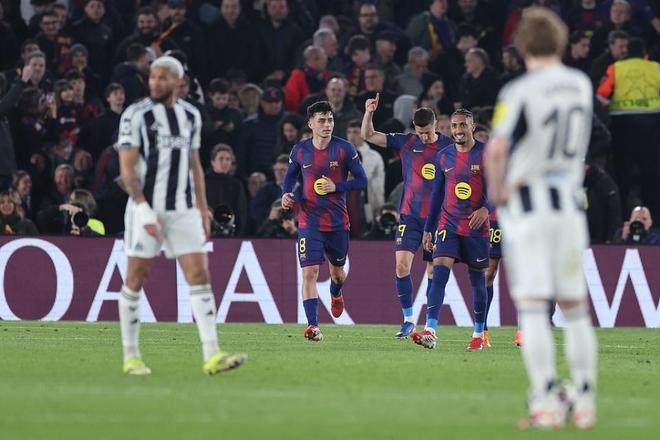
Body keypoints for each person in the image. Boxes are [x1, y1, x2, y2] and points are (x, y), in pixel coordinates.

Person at [484, 8, 597, 430]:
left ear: (522, 46)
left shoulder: (519, 91)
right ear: (561, 42)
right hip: (570, 207)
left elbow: (497, 148)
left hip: (531, 209)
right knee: (575, 307)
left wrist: (497, 189)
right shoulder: (581, 85)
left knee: (533, 308)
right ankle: (584, 400)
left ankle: (547, 400)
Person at [117, 55, 246, 375]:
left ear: (178, 82)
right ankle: (131, 356)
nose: (155, 82)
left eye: (162, 77)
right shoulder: (136, 114)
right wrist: (143, 208)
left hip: (183, 208)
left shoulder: (191, 115)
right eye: (152, 76)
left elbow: (194, 165)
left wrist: (202, 208)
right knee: (135, 278)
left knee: (199, 276)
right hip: (146, 208)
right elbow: (127, 168)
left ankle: (212, 355)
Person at [361, 96, 453, 339]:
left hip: (438, 219)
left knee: (433, 270)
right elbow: (368, 135)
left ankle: (430, 325)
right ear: (414, 128)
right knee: (401, 266)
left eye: (428, 132)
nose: (424, 137)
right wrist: (369, 112)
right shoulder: (407, 142)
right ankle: (408, 320)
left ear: (436, 125)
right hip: (410, 217)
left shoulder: (449, 147)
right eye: (420, 133)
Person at [281, 100, 367, 342]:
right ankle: (312, 326)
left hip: (338, 223)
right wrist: (286, 195)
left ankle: (336, 293)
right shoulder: (300, 150)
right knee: (309, 272)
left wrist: (336, 186)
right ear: (311, 124)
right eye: (322, 120)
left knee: (337, 274)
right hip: (309, 222)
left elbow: (362, 181)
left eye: (330, 120)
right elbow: (289, 179)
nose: (327, 124)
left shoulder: (345, 149)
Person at [407, 109, 491, 351]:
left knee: (477, 281)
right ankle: (430, 330)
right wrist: (428, 228)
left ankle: (478, 333)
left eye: (462, 125)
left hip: (476, 227)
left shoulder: (486, 155)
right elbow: (437, 195)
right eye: (454, 126)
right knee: (438, 272)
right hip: (448, 224)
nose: (457, 130)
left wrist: (486, 209)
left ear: (472, 126)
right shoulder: (444, 157)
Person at [596, 38, 660, 217]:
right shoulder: (655, 68)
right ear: (644, 53)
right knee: (651, 172)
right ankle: (653, 216)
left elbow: (601, 96)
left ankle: (622, 214)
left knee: (622, 171)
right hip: (652, 124)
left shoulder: (616, 68)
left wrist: (609, 108)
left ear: (627, 52)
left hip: (622, 125)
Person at [346, 119, 384, 225]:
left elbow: (366, 178)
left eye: (356, 132)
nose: (352, 136)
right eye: (349, 132)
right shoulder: (340, 153)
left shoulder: (374, 156)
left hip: (367, 200)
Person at [204, 144, 248, 236]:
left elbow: (241, 212)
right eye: (221, 159)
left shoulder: (236, 185)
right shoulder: (203, 182)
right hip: (206, 231)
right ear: (213, 161)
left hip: (230, 234)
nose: (225, 162)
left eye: (228, 159)